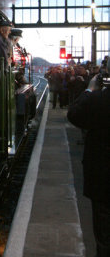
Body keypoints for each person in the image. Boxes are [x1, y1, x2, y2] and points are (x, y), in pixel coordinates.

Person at [67, 58, 110, 257]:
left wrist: (89, 90)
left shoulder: (98, 100)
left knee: (104, 235)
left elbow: (74, 115)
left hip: (103, 181)